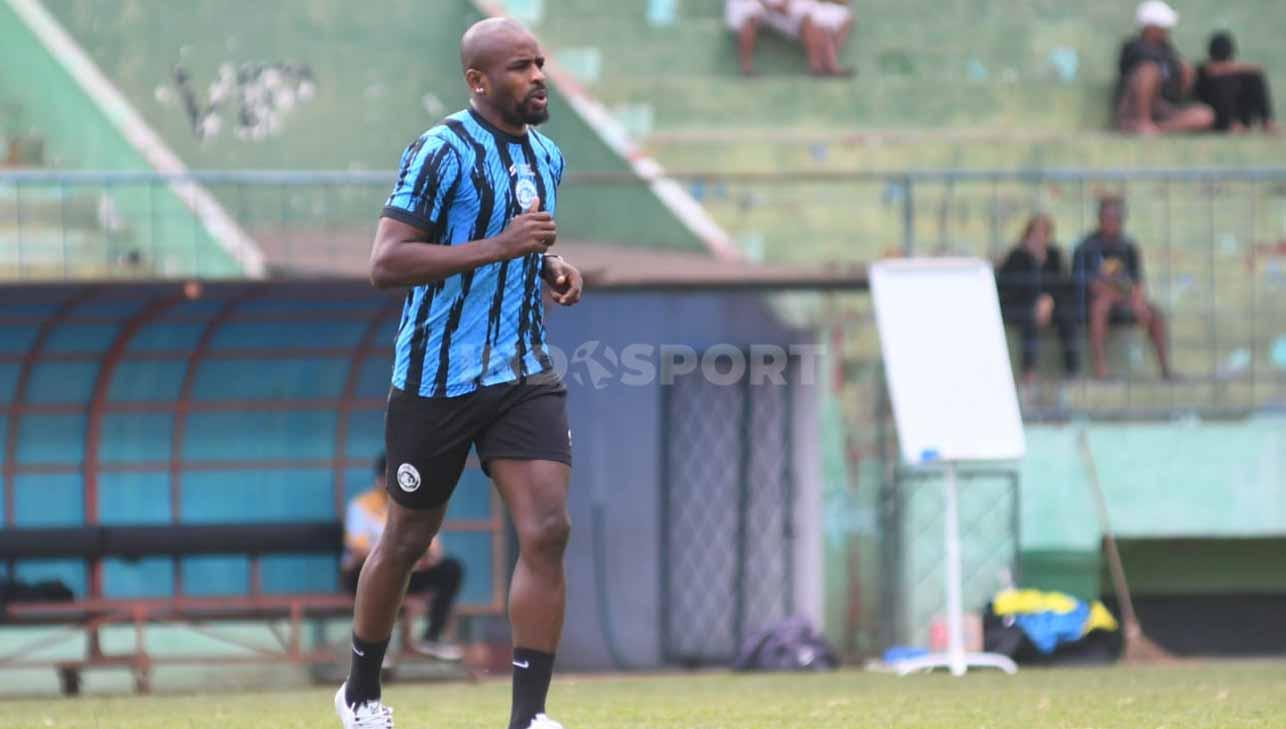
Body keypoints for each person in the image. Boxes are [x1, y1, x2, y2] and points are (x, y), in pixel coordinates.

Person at [336, 17, 583, 729]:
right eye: (518, 67)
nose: (536, 76)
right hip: (436, 380)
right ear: (478, 81)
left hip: (522, 371)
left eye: (539, 62)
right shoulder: (438, 152)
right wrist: (501, 244)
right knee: (407, 542)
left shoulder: (548, 156)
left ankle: (528, 717)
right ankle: (360, 693)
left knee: (548, 529)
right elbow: (387, 263)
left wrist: (551, 267)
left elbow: (523, 246)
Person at [342, 452, 465, 662]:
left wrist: (424, 559)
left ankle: (431, 637)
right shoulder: (361, 505)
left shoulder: (415, 505)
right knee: (376, 575)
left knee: (451, 568)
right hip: (367, 573)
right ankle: (377, 648)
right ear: (380, 480)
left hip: (408, 570)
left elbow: (434, 550)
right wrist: (400, 556)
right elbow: (358, 549)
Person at [1072, 197, 1171, 380]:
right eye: (1108, 216)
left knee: (1155, 313)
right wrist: (1121, 295)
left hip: (1124, 302)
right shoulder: (1086, 247)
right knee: (1101, 306)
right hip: (1092, 306)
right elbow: (1091, 285)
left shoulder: (1128, 247)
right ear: (1100, 218)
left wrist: (1138, 301)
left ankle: (1165, 370)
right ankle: (1101, 370)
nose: (1112, 220)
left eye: (1117, 216)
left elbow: (1137, 283)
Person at [996, 214, 1079, 384]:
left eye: (1044, 233)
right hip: (1021, 305)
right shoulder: (1016, 256)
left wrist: (1049, 300)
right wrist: (1033, 263)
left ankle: (1072, 370)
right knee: (1029, 318)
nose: (1040, 237)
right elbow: (1008, 288)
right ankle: (1029, 371)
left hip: (1049, 306)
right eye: (1036, 233)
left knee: (1067, 316)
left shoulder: (1054, 256)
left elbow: (1063, 285)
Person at [1114, 1, 1213, 134]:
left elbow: (1175, 85)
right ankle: (1142, 122)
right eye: (1162, 26)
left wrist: (1185, 74)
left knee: (1205, 115)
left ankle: (1157, 129)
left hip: (1162, 108)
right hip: (1135, 108)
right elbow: (1145, 75)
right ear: (1150, 27)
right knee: (1149, 70)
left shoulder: (1167, 50)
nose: (1166, 31)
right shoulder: (1133, 47)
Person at [726, 0, 854, 77]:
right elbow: (778, 7)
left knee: (815, 19)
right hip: (755, 6)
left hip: (782, 8)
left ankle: (824, 65)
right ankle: (746, 68)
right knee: (750, 19)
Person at [1195, 31, 1278, 134]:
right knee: (1223, 82)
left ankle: (1267, 122)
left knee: (1254, 78)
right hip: (1217, 117)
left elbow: (1258, 70)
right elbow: (1214, 70)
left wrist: (1231, 68)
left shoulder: (1239, 72)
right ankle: (1231, 124)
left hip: (1240, 114)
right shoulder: (1203, 71)